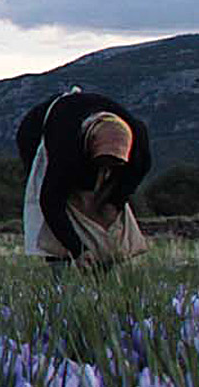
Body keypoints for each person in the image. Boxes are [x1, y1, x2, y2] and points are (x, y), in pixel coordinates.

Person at [17, 88, 152, 267]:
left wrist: (114, 201)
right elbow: (50, 202)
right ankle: (60, 265)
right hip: (39, 133)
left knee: (104, 208)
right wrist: (78, 249)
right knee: (66, 204)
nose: (106, 169)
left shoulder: (138, 150)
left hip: (82, 139)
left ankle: (104, 261)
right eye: (102, 163)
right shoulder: (66, 149)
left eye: (113, 164)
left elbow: (125, 187)